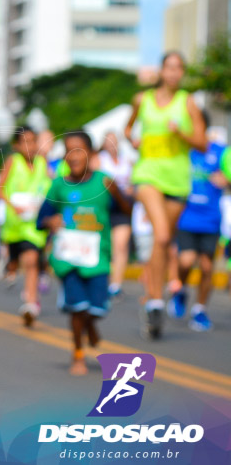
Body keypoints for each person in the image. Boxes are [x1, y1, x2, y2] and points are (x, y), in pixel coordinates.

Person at [124, 51, 207, 339]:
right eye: (169, 67)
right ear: (161, 70)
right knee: (160, 236)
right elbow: (128, 127)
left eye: (178, 69)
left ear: (182, 73)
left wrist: (181, 133)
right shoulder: (142, 100)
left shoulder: (188, 102)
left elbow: (203, 143)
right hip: (147, 174)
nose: (173, 73)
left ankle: (153, 299)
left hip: (177, 179)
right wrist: (132, 139)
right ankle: (156, 298)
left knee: (164, 241)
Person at [37, 131, 132, 376]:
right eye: (68, 151)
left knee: (96, 309)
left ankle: (91, 326)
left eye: (79, 150)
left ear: (90, 154)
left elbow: (125, 210)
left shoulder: (104, 182)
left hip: (98, 258)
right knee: (77, 308)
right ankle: (77, 355)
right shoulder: (59, 185)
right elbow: (41, 218)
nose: (73, 157)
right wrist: (51, 222)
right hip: (68, 258)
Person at [169, 112, 230, 331]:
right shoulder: (182, 150)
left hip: (211, 220)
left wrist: (227, 179)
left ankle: (200, 310)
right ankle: (181, 290)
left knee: (206, 267)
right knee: (185, 261)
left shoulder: (222, 152)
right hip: (186, 216)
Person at [0, 127, 50, 327]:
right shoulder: (12, 162)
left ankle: (30, 303)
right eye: (25, 142)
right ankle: (8, 264)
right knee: (16, 262)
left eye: (33, 141)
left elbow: (50, 187)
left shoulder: (43, 163)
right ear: (16, 146)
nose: (31, 146)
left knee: (32, 261)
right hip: (14, 225)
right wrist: (12, 205)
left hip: (33, 225)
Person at [94, 131, 135, 300]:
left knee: (121, 245)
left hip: (122, 205)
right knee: (104, 245)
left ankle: (116, 284)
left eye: (114, 141)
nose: (112, 144)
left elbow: (134, 182)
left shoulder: (126, 161)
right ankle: (101, 279)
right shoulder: (98, 160)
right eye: (108, 141)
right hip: (104, 205)